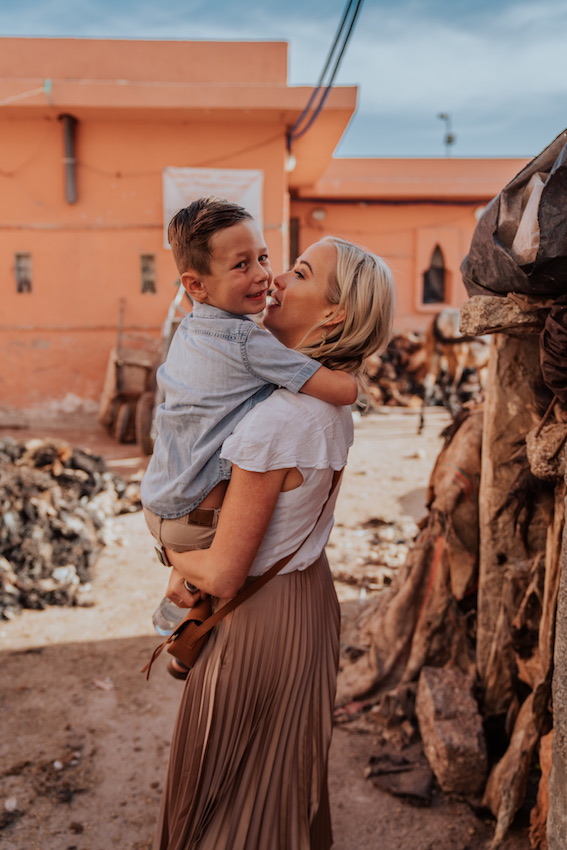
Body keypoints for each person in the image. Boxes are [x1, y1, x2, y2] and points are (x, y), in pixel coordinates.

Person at [153, 235, 395, 850]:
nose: (275, 279)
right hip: (308, 604)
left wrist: (167, 546)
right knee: (279, 786)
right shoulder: (323, 404)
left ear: (334, 312)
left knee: (228, 801)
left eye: (299, 271)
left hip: (257, 626)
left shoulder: (277, 419)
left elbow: (225, 573)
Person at [141, 198, 358, 574]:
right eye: (241, 265)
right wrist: (353, 361)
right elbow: (344, 392)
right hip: (197, 522)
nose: (264, 275)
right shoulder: (247, 341)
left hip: (157, 505)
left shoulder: (190, 329)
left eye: (263, 257)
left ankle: (183, 587)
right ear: (196, 285)